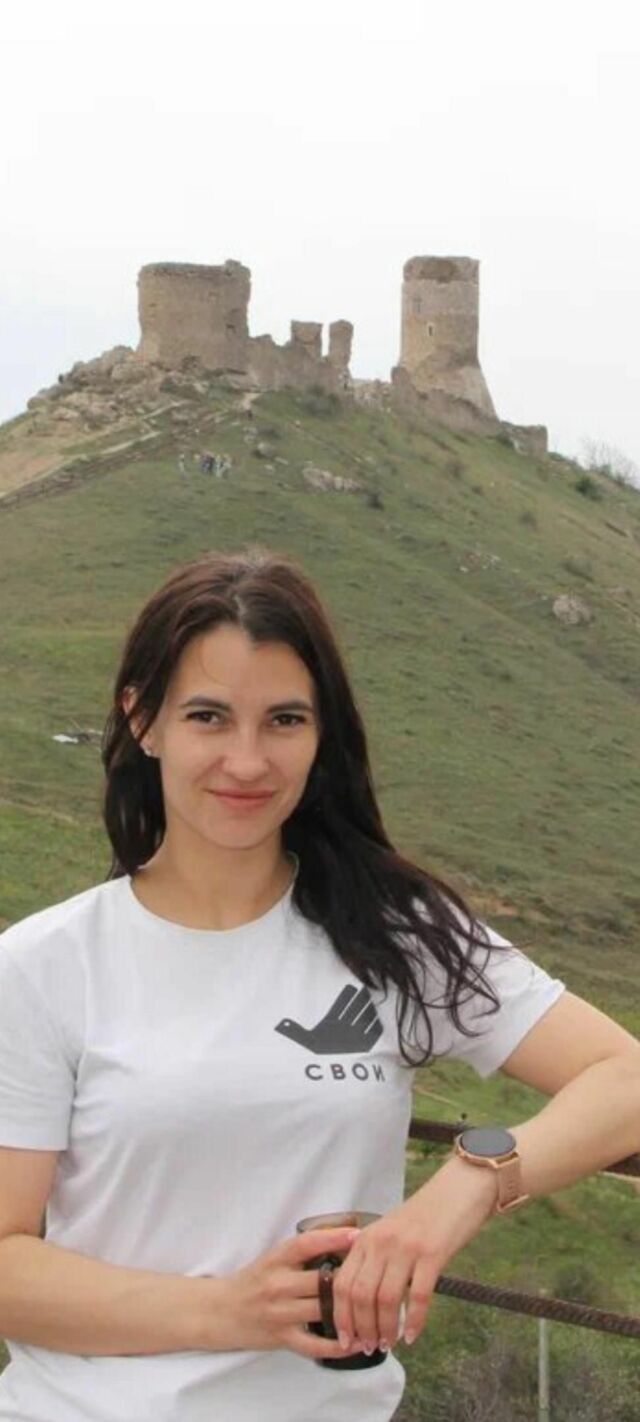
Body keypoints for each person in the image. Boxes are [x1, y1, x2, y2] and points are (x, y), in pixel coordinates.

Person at [0, 545, 638, 1422]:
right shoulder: (44, 964)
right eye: (209, 717)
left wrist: (465, 1187)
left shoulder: (393, 932)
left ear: (321, 733)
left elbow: (625, 1077)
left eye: (285, 720)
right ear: (144, 720)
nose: (248, 761)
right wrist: (228, 1311)